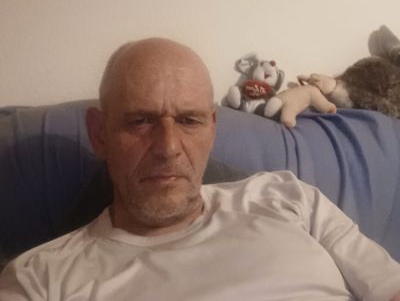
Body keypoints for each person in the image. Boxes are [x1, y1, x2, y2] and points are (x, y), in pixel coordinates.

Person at [0, 38, 399, 300]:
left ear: (212, 128)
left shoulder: (288, 197)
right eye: (141, 121)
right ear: (99, 134)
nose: (168, 147)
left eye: (189, 121)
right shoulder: (40, 281)